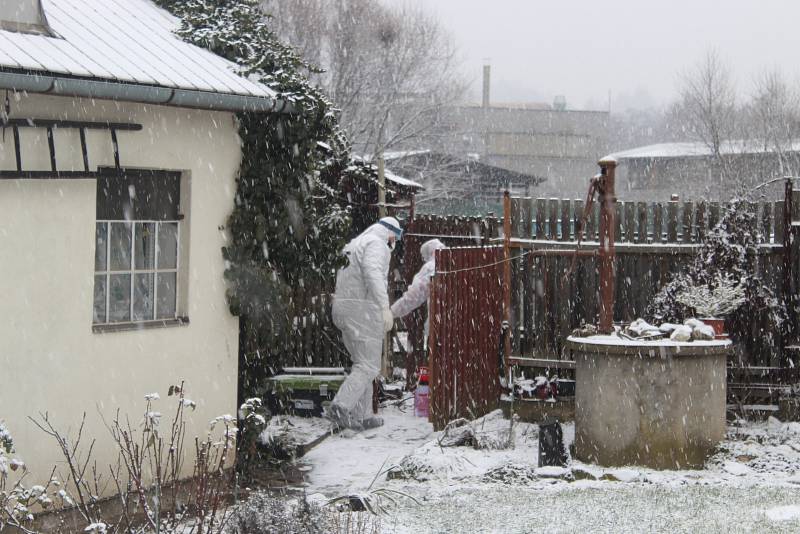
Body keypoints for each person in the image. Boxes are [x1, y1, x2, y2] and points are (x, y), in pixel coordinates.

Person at [327, 216, 402, 431]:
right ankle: (341, 406)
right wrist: (384, 306)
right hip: (362, 309)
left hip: (343, 307)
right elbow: (372, 273)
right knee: (369, 365)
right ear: (390, 234)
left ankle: (363, 415)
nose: (393, 243)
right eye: (395, 238)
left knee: (362, 363)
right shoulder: (377, 244)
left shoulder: (354, 243)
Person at [391, 238, 446, 340]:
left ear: (430, 253)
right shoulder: (458, 261)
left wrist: (392, 312)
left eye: (424, 258)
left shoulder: (431, 267)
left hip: (441, 326)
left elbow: (414, 296)